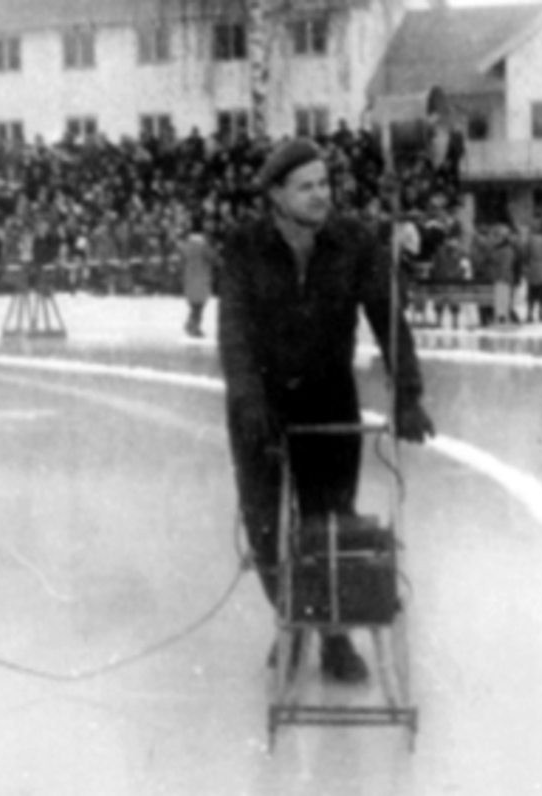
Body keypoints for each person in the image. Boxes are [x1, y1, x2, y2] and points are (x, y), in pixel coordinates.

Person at [217, 139, 434, 684]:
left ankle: (333, 637)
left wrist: (407, 393)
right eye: (306, 186)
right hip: (260, 407)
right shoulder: (244, 247)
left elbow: (388, 319)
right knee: (266, 533)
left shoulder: (353, 243)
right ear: (276, 195)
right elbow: (234, 333)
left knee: (329, 527)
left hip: (327, 400)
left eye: (325, 184)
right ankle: (291, 615)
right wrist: (248, 401)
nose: (321, 196)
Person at [178, 217, 218, 337]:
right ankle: (194, 327)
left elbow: (182, 259)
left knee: (194, 304)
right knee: (199, 305)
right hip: (202, 278)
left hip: (189, 277)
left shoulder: (187, 244)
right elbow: (213, 258)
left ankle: (190, 324)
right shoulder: (204, 245)